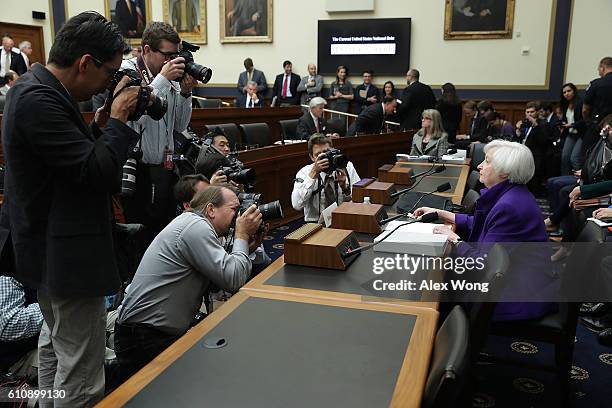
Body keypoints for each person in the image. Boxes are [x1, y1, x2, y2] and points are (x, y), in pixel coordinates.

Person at [0, 11, 142, 406]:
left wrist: (97, 130)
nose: (110, 83)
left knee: (55, 357)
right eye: (109, 72)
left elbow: (66, 169)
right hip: (65, 260)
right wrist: (118, 120)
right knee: (81, 377)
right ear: (85, 62)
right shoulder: (36, 99)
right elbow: (96, 173)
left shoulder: (38, 90)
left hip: (56, 257)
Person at [115, 186, 262, 378]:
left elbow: (219, 280)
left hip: (149, 333)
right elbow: (233, 279)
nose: (240, 216)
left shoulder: (193, 224)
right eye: (235, 209)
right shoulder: (195, 227)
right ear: (211, 210)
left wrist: (246, 248)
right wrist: (241, 236)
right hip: (144, 338)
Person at [414, 140, 557, 321]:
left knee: (430, 283)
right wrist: (444, 214)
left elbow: (483, 264)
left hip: (515, 293)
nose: (480, 166)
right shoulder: (512, 193)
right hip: (514, 279)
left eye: (487, 161)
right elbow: (486, 226)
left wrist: (455, 239)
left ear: (504, 172)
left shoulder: (510, 206)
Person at [121, 22, 197, 241]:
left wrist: (184, 92)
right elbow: (135, 115)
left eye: (175, 55)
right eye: (167, 55)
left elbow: (180, 126)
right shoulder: (127, 72)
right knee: (140, 235)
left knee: (163, 232)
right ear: (146, 49)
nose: (171, 61)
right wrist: (163, 79)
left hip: (165, 168)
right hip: (139, 172)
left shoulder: (171, 78)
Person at [291, 134, 360, 222]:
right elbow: (297, 205)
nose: (325, 159)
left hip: (344, 220)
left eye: (326, 152)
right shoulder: (304, 173)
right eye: (318, 155)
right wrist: (313, 174)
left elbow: (360, 198)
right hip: (315, 224)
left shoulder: (347, 166)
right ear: (312, 157)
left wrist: (345, 189)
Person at [0, 275, 43, 381]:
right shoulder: (8, 271)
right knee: (78, 360)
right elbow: (9, 325)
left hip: (41, 343)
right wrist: (53, 305)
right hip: (17, 360)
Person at [515, 101, 550, 193]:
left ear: (537, 112)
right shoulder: (525, 123)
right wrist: (518, 131)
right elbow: (522, 138)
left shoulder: (543, 124)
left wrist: (536, 126)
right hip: (523, 152)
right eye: (527, 112)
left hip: (536, 154)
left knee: (534, 177)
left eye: (532, 112)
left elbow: (543, 141)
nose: (529, 114)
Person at [582, 57, 612, 152]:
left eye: (599, 70)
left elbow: (585, 109)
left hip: (598, 125)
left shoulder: (596, 84)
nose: (599, 73)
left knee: (588, 153)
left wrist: (587, 121)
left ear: (602, 67)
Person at [558, 83, 585, 175]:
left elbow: (585, 120)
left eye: (569, 91)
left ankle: (579, 180)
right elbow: (566, 119)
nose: (566, 94)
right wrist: (562, 124)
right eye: (564, 92)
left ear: (574, 91)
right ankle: (563, 179)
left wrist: (572, 125)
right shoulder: (565, 105)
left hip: (581, 134)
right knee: (564, 157)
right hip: (570, 134)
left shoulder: (581, 103)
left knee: (574, 158)